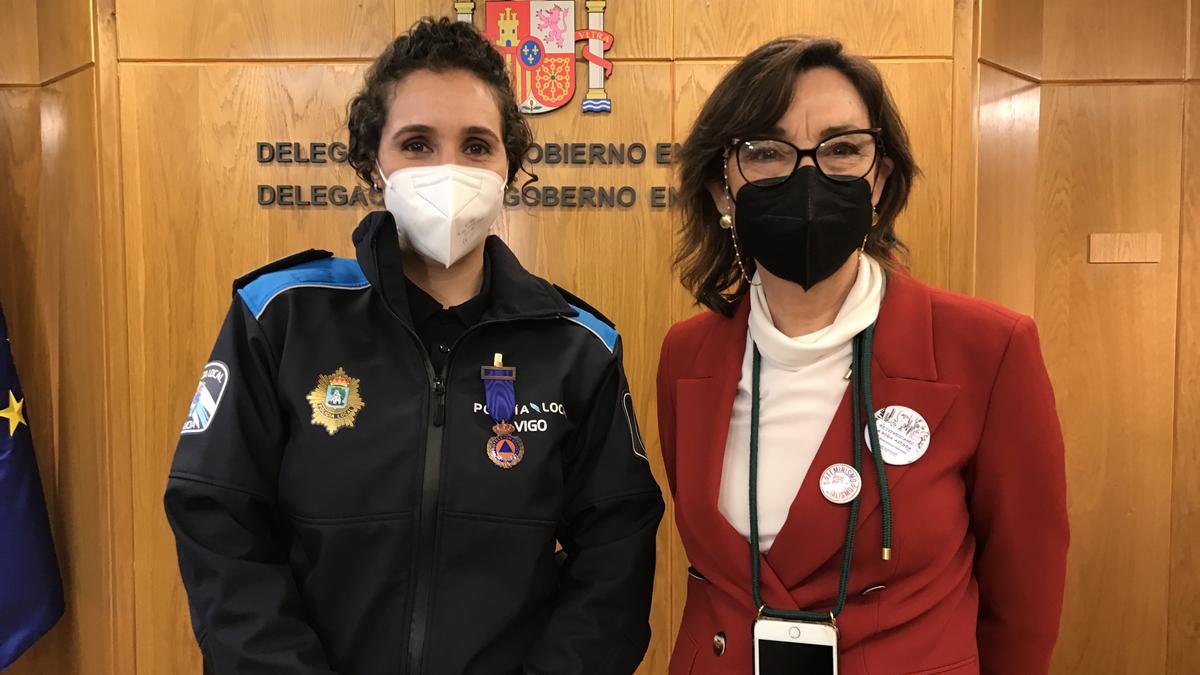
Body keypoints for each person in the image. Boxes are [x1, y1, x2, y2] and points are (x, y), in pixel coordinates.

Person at [165, 18, 663, 675]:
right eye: (419, 143)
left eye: (477, 144)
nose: (448, 169)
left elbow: (615, 554)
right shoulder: (281, 318)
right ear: (375, 161)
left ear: (508, 165)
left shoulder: (578, 346)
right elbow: (220, 524)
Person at [657, 36, 1068, 674]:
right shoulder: (686, 355)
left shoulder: (988, 349)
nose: (807, 174)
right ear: (720, 189)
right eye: (765, 151)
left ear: (879, 180)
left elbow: (1025, 594)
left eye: (842, 149)